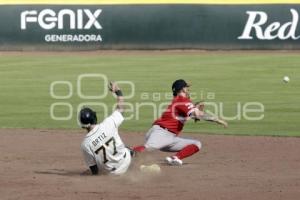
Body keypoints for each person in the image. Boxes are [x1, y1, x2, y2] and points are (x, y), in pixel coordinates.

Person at [133, 79, 228, 166]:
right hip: (162, 133)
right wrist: (217, 120)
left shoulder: (180, 101)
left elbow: (191, 116)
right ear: (182, 89)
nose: (188, 89)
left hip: (169, 137)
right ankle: (124, 154)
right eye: (186, 87)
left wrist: (195, 109)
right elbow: (198, 115)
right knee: (146, 149)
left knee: (196, 144)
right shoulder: (182, 100)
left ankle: (175, 158)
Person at [80, 82, 131, 175]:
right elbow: (121, 109)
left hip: (112, 174)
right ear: (94, 117)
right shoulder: (108, 123)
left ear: (83, 124)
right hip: (126, 162)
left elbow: (94, 170)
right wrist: (118, 92)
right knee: (128, 149)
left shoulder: (85, 144)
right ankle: (142, 167)